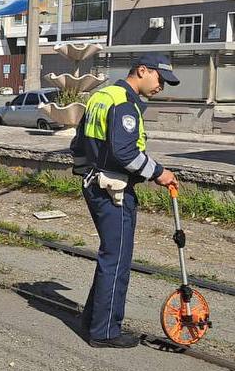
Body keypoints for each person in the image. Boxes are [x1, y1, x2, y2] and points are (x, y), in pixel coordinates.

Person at [71, 52, 180, 349]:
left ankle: (93, 320)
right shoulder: (125, 103)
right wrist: (159, 173)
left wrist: (87, 176)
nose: (162, 87)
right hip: (113, 189)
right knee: (116, 258)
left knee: (111, 255)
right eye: (160, 79)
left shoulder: (101, 95)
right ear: (142, 70)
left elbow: (77, 144)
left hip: (95, 183)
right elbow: (125, 153)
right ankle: (105, 332)